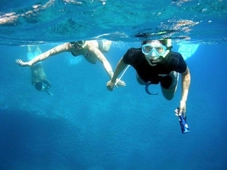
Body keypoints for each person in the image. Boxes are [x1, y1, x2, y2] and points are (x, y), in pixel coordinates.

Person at [106, 39, 191, 116]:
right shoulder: (133, 54)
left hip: (166, 77)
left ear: (165, 49)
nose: (153, 55)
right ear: (142, 47)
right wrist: (113, 80)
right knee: (140, 82)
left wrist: (183, 100)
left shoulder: (174, 59)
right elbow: (122, 62)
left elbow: (186, 74)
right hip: (144, 75)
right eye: (148, 49)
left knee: (169, 97)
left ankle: (174, 73)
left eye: (158, 49)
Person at [16, 40, 126, 86]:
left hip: (99, 45)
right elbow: (48, 53)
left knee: (106, 49)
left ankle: (111, 38)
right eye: (74, 42)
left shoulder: (90, 46)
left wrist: (113, 77)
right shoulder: (69, 46)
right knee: (92, 62)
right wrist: (31, 62)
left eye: (80, 42)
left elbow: (104, 61)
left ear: (84, 41)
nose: (76, 45)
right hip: (86, 54)